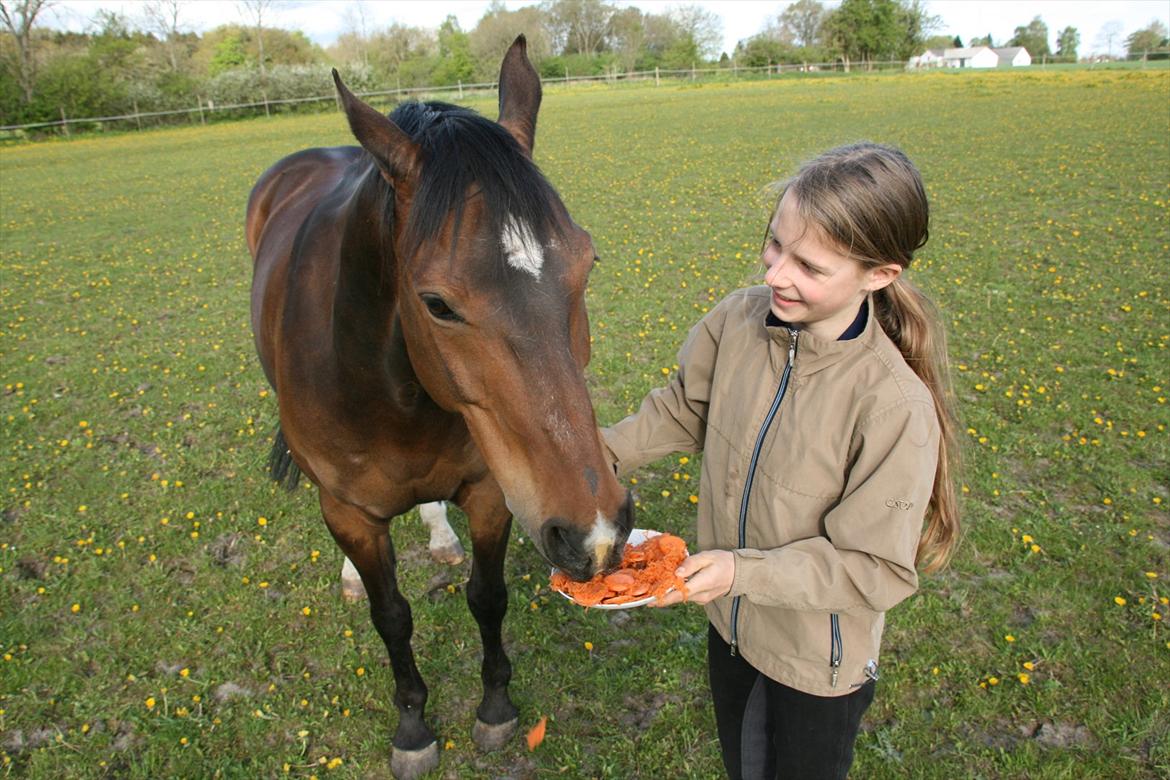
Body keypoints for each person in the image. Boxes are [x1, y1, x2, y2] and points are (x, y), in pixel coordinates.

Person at [601, 142, 960, 780]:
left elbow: (872, 568)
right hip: (730, 627)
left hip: (813, 666)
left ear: (880, 275)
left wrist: (741, 573)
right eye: (774, 244)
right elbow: (687, 409)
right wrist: (591, 460)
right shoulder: (738, 322)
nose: (775, 274)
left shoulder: (892, 407)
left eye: (809, 266)